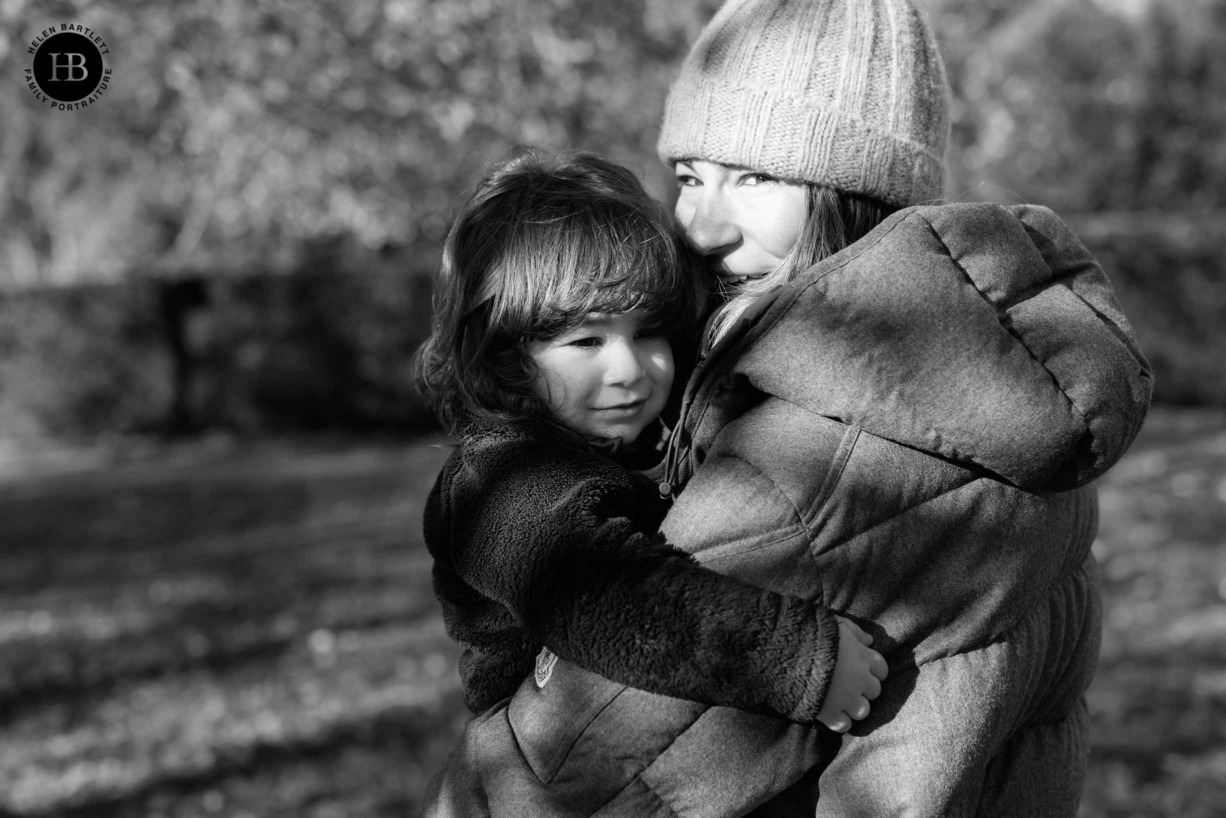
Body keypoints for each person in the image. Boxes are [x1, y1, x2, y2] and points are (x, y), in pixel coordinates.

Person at [427, 1, 1154, 817]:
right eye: (691, 178)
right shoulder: (993, 389)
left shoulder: (816, 452)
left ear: (854, 191)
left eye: (756, 177)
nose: (698, 227)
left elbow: (588, 771)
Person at [414, 147, 891, 816]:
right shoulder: (497, 483)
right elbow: (604, 594)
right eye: (585, 342)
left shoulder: (629, 447)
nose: (629, 370)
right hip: (563, 783)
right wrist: (794, 657)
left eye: (648, 334)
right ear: (504, 353)